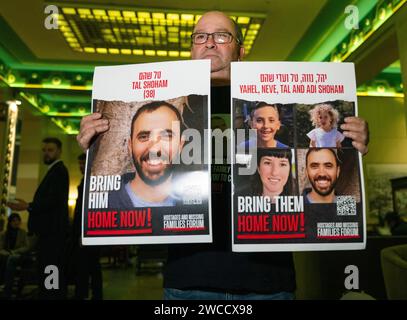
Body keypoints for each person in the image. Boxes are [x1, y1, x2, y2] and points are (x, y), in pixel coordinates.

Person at [76, 11, 370, 300]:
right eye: (200, 37)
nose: (209, 43)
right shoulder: (168, 103)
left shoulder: (268, 100)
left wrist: (351, 143)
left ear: (240, 51)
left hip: (269, 282)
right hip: (189, 281)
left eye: (221, 35)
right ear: (192, 49)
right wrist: (96, 144)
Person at [7, 137, 69, 299]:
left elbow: (52, 201)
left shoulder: (59, 171)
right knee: (50, 271)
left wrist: (28, 206)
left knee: (51, 272)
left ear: (59, 152)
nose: (46, 154)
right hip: (49, 236)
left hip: (53, 237)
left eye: (50, 150)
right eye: (44, 150)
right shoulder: (54, 171)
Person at [108, 101, 185, 208]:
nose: (154, 149)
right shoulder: (105, 202)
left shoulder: (198, 204)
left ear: (181, 145)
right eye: (144, 137)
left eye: (166, 137)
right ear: (130, 146)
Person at [72, 153, 103, 300]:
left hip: (88, 233)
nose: (81, 167)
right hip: (88, 233)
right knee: (90, 267)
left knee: (87, 267)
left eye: (83, 164)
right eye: (79, 164)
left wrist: (82, 234)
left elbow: (86, 211)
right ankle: (92, 295)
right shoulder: (86, 181)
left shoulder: (91, 182)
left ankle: (85, 294)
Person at [0, 213, 30, 299]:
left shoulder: (23, 233)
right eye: (14, 221)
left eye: (18, 220)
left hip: (19, 256)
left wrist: (15, 252)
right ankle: (6, 287)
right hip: (6, 256)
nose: (16, 222)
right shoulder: (4, 234)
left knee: (12, 258)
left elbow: (27, 246)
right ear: (10, 222)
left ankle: (7, 289)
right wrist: (7, 253)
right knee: (9, 259)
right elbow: (0, 248)